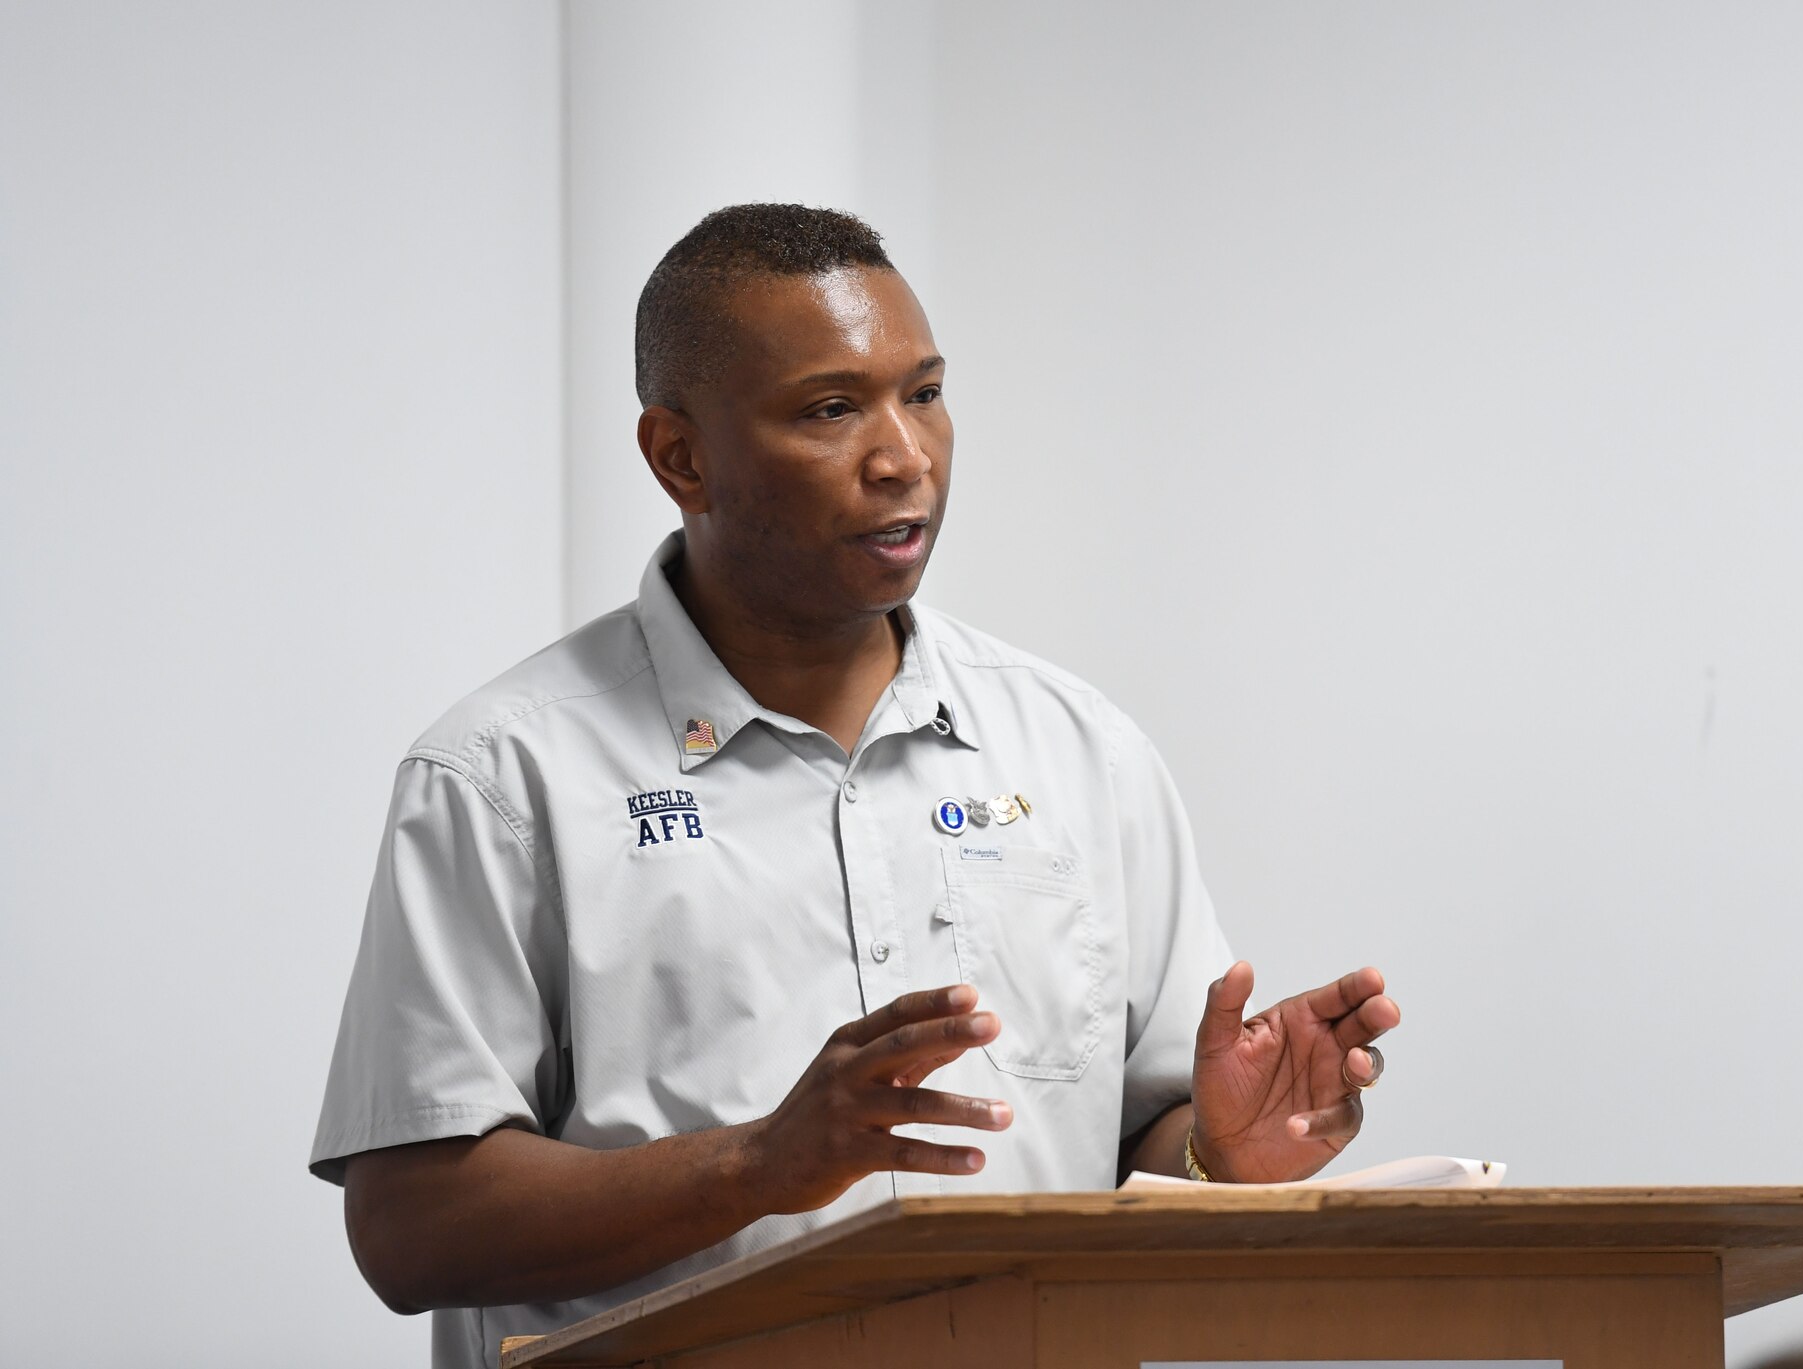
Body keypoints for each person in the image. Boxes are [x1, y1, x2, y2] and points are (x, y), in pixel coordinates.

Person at [310, 203, 1401, 1369]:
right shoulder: (501, 776)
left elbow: (1140, 1136)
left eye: (922, 393)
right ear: (679, 456)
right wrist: (757, 1163)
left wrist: (1216, 1156)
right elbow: (409, 1227)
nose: (904, 456)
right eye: (832, 409)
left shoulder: (1081, 750)